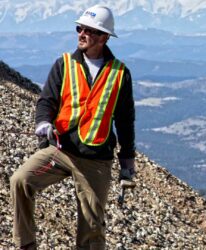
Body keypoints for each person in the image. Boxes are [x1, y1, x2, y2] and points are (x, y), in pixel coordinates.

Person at [10, 5, 135, 249]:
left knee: (92, 226)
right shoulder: (64, 64)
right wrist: (43, 122)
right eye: (80, 28)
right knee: (20, 181)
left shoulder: (120, 73)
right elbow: (47, 100)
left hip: (96, 160)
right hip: (60, 151)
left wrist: (127, 161)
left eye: (89, 30)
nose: (81, 34)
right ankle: (26, 245)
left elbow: (125, 119)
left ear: (104, 37)